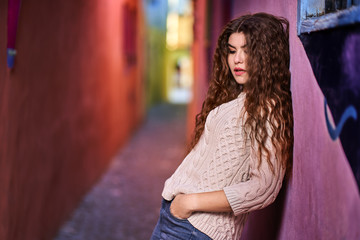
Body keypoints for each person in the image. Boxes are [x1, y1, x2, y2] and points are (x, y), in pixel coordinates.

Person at [151, 12, 293, 240]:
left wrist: (190, 203)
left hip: (196, 229)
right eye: (232, 50)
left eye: (247, 50)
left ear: (266, 55)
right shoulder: (241, 99)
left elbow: (264, 187)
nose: (237, 59)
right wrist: (179, 205)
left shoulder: (267, 108)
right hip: (179, 220)